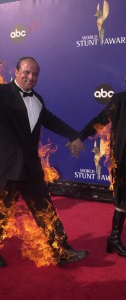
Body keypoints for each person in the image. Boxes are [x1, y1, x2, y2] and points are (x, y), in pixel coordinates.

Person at [0, 43, 88, 267]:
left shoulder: (38, 98)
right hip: (5, 167)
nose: (30, 77)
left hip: (31, 168)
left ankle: (61, 250)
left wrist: (74, 135)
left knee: (45, 211)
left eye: (34, 74)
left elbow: (50, 120)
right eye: (26, 72)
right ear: (16, 71)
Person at [73, 90, 126, 258]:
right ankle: (114, 238)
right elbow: (100, 121)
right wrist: (79, 137)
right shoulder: (119, 99)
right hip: (123, 158)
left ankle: (113, 239)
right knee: (123, 198)